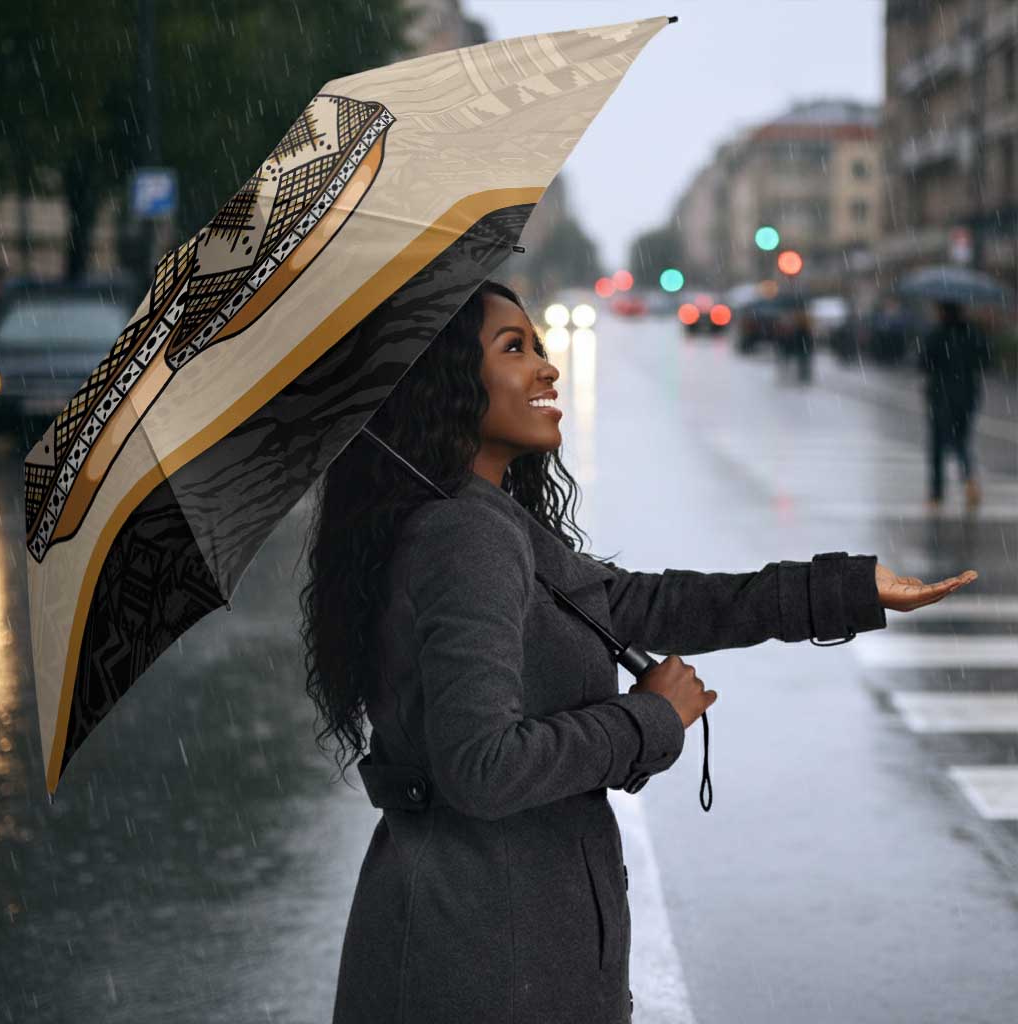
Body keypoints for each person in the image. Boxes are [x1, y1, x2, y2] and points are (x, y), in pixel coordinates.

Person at [302, 280, 973, 1024]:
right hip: (491, 953)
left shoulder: (485, 522)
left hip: (481, 936)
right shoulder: (468, 535)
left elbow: (651, 602)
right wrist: (649, 719)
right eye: (514, 348)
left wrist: (848, 590)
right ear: (445, 379)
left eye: (539, 345)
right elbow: (482, 768)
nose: (547, 367)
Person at [920, 300, 993, 514]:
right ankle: (969, 478)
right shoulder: (973, 333)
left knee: (936, 446)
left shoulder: (937, 334)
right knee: (961, 440)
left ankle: (936, 494)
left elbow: (923, 362)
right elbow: (986, 360)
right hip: (967, 395)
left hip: (940, 396)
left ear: (942, 311)